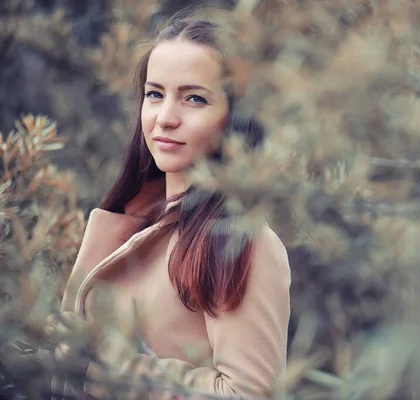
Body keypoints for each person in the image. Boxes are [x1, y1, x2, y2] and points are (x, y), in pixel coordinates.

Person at [43, 15, 292, 400]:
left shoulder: (241, 240)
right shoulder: (133, 220)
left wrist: (105, 366)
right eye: (155, 94)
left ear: (236, 117)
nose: (165, 118)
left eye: (194, 98)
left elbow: (247, 393)